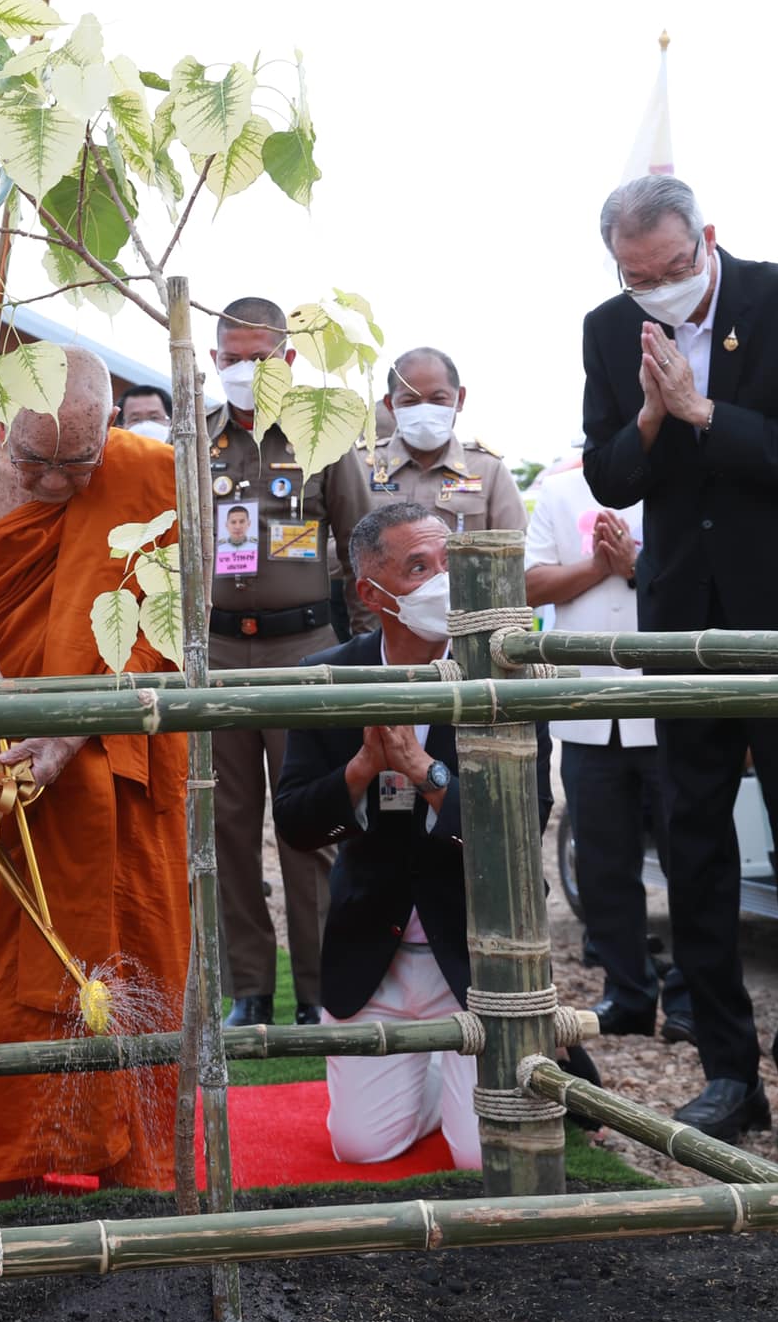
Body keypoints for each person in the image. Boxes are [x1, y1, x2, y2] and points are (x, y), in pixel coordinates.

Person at [0, 346, 189, 1192]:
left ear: (109, 429)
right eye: (32, 460)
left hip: (112, 762)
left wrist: (71, 732)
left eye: (75, 464)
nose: (50, 484)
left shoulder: (150, 472)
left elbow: (163, 627)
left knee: (135, 950)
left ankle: (141, 1171)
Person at [584, 172, 778, 1142]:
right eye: (635, 275)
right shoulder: (605, 329)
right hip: (680, 626)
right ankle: (725, 1071)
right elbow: (608, 474)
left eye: (668, 268)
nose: (655, 286)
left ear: (703, 237)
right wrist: (653, 418)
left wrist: (706, 412)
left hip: (775, 623)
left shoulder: (776, 299)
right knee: (695, 850)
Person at [275, 504, 552, 1169]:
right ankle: (430, 1077)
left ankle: (477, 1072)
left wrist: (427, 776)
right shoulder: (329, 675)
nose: (442, 583)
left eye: (448, 564)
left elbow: (526, 824)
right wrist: (364, 768)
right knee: (363, 1146)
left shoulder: (504, 674)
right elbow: (295, 823)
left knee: (481, 1158)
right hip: (375, 946)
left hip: (479, 949)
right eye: (419, 568)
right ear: (371, 594)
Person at [206, 296, 372, 1031]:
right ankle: (249, 987)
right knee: (227, 825)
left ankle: (317, 990)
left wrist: (377, 667)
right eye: (233, 357)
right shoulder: (193, 441)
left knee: (308, 822)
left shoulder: (323, 436)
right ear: (212, 361)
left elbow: (364, 550)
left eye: (260, 357)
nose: (246, 370)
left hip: (304, 648)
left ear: (289, 359)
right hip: (214, 651)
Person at [525, 461, 693, 1042]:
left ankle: (694, 996)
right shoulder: (560, 488)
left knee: (689, 861)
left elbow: (694, 580)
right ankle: (627, 991)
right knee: (602, 866)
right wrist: (600, 565)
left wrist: (634, 567)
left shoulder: (681, 477)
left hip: (669, 707)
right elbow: (532, 584)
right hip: (590, 708)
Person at [366, 348, 527, 534]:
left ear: (460, 399)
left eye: (438, 399)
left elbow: (515, 547)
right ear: (390, 405)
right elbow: (333, 543)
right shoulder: (363, 468)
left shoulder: (488, 470)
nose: (424, 410)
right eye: (410, 401)